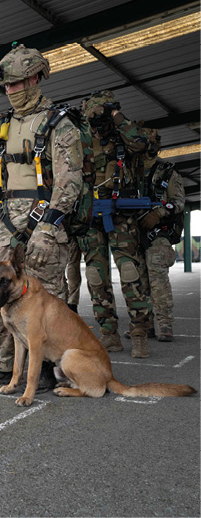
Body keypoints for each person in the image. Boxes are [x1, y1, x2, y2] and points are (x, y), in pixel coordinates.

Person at [0, 44, 84, 388]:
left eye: (16, 84)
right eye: (7, 86)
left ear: (34, 79)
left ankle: (48, 368)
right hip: (7, 225)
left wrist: (48, 228)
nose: (10, 91)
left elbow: (69, 180)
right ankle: (3, 365)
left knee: (47, 300)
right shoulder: (4, 125)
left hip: (45, 220)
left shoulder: (59, 125)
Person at [76, 90, 153, 358]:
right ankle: (109, 334)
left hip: (120, 216)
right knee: (96, 277)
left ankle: (140, 333)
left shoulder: (123, 135)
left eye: (102, 116)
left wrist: (116, 116)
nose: (98, 124)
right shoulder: (82, 139)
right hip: (91, 216)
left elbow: (142, 143)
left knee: (130, 272)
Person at [137, 129, 185, 342]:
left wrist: (159, 213)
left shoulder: (168, 172)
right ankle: (144, 325)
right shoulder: (131, 169)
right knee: (138, 282)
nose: (150, 144)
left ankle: (165, 325)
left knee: (158, 281)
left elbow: (179, 202)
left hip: (159, 234)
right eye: (146, 140)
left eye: (154, 140)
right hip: (134, 233)